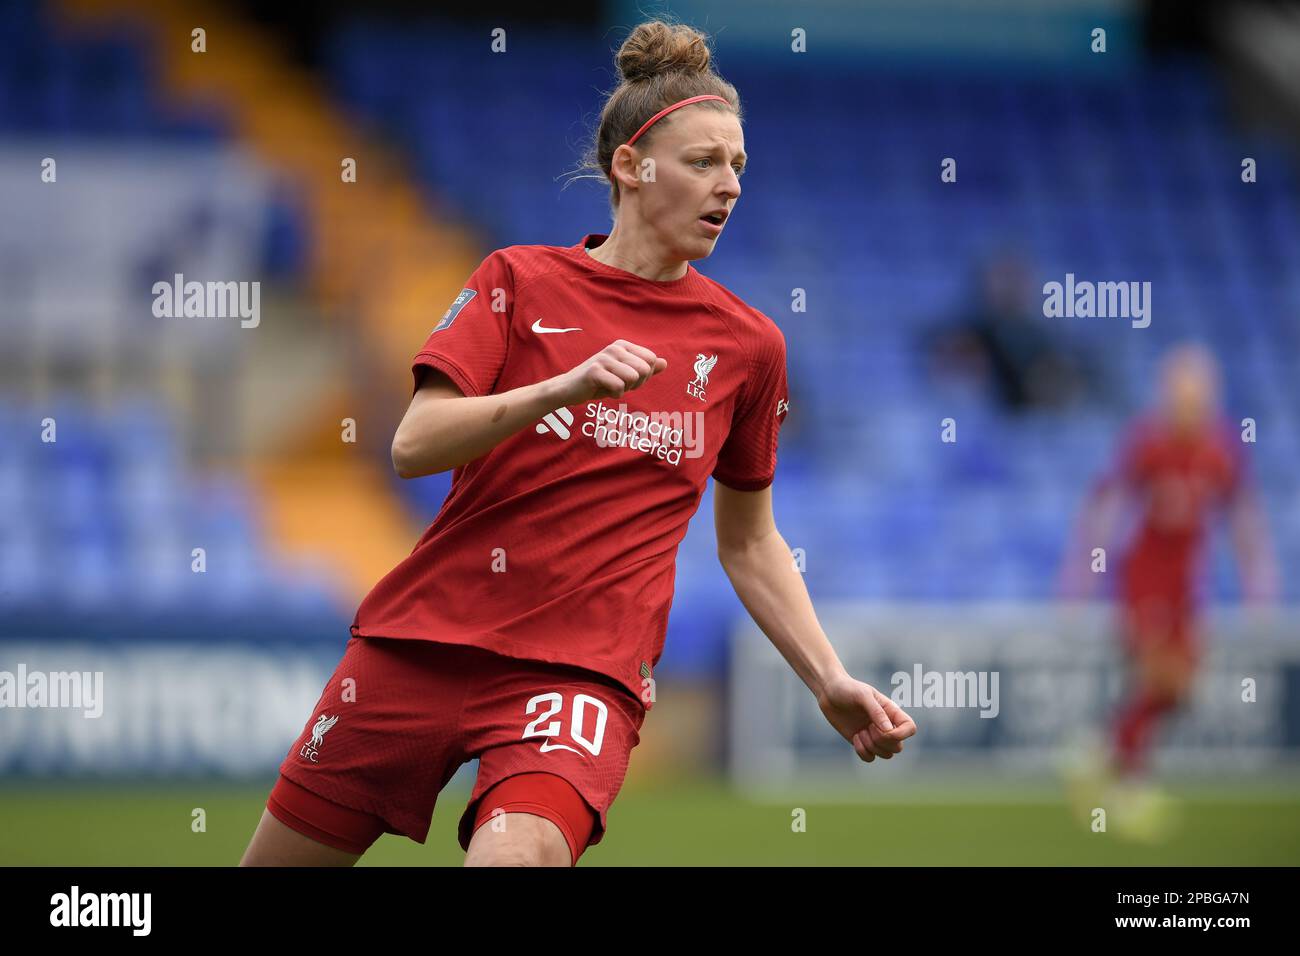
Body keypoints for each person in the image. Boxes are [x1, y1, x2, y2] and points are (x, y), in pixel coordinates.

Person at [240, 18, 915, 868]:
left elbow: (749, 541)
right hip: (422, 643)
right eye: (705, 161)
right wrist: (562, 387)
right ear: (630, 167)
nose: (730, 186)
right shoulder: (518, 280)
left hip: (576, 675)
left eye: (738, 165)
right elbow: (414, 445)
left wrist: (828, 678)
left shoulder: (749, 348)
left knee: (514, 859)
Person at [1059, 343, 1277, 840]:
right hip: (1145, 578)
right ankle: (1128, 787)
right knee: (1158, 676)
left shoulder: (1222, 449)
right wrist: (1083, 574)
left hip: (1186, 584)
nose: (1190, 401)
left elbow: (1242, 517)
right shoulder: (1149, 443)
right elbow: (1108, 506)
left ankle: (1097, 750)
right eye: (1181, 391)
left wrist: (1257, 580)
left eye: (1198, 392)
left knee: (1180, 688)